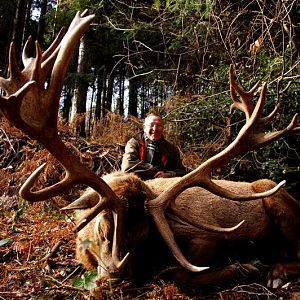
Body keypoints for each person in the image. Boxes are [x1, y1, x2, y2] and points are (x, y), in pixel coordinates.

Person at [121, 112, 187, 180]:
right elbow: (128, 166)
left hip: (164, 186)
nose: (155, 129)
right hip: (139, 184)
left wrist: (168, 174)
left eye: (158, 125)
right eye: (151, 125)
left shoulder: (172, 149)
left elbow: (181, 171)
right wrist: (155, 170)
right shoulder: (134, 143)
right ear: (144, 127)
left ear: (163, 128)